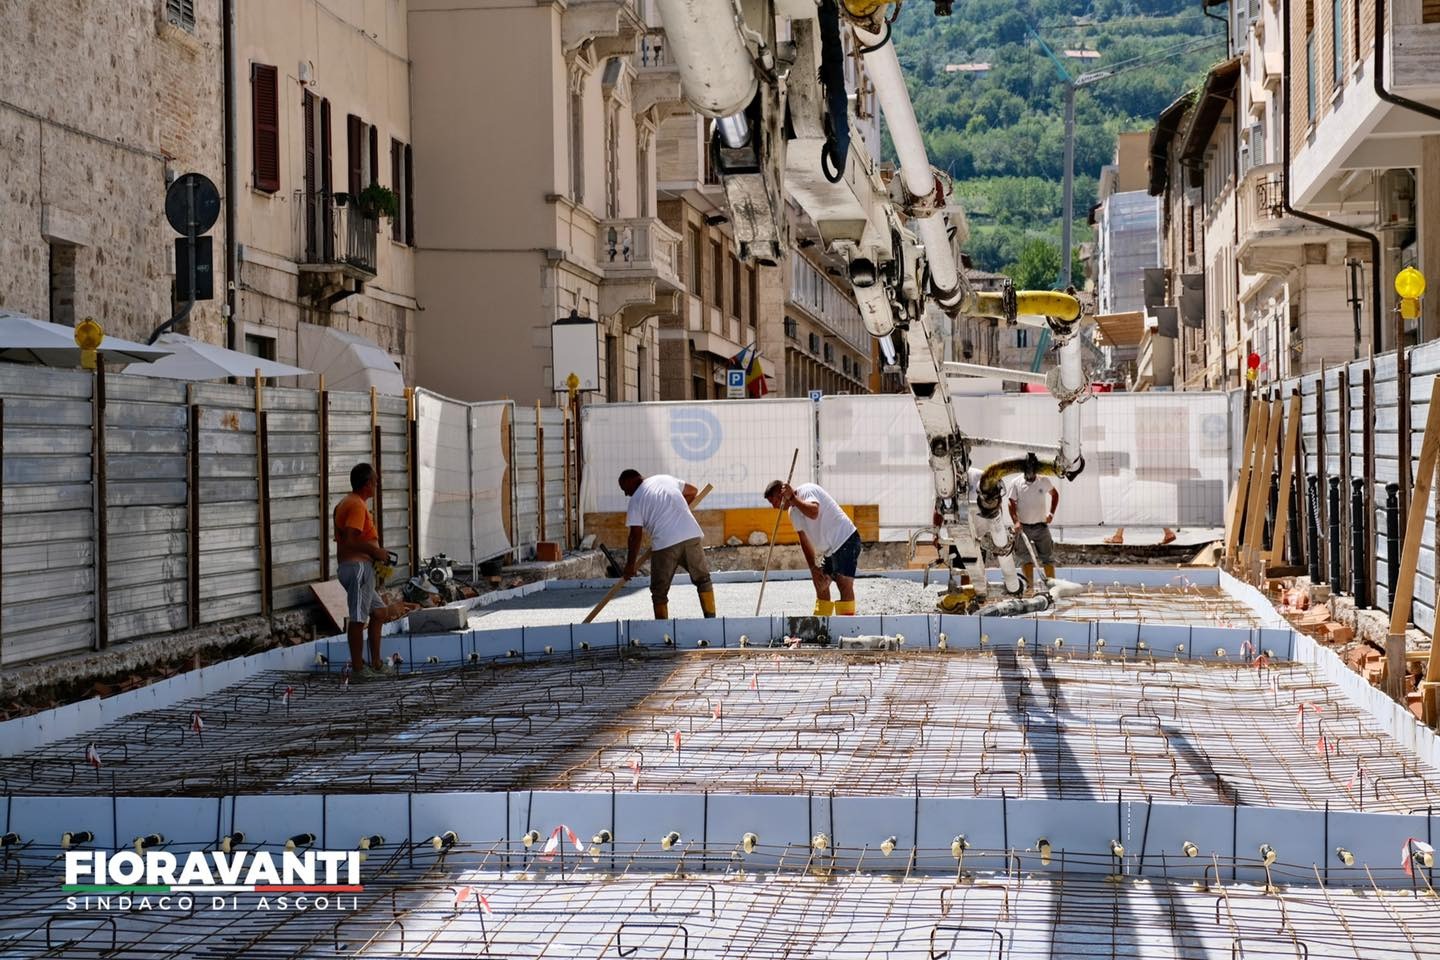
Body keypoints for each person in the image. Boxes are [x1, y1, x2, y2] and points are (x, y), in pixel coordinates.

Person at [619, 469, 716, 619]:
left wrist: (630, 565)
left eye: (624, 489)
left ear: (630, 481)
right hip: (691, 534)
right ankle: (711, 619)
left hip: (665, 544)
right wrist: (678, 511)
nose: (626, 494)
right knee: (703, 580)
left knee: (659, 591)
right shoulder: (663, 478)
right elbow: (692, 491)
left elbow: (635, 536)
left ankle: (662, 628)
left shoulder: (636, 500)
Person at [335, 463, 399, 678]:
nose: (377, 485)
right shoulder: (356, 506)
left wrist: (375, 554)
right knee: (358, 618)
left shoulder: (349, 502)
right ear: (367, 483)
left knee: (379, 612)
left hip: (358, 568)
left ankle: (376, 663)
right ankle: (359, 670)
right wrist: (376, 552)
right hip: (358, 568)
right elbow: (351, 539)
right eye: (375, 481)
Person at [765, 480, 862, 616]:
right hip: (830, 550)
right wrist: (813, 568)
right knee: (820, 584)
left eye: (773, 501)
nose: (774, 507)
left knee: (843, 583)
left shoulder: (806, 490)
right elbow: (804, 540)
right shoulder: (793, 513)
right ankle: (821, 626)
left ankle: (847, 627)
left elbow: (813, 512)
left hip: (845, 539)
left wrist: (792, 498)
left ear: (781, 494)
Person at [1008, 453, 1059, 593]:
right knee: (1025, 559)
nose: (1030, 475)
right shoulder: (1016, 483)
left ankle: (1052, 589)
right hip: (1023, 528)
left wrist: (1051, 514)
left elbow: (1055, 495)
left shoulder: (1044, 481)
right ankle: (1030, 588)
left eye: (1033, 472)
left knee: (1047, 557)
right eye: (1028, 472)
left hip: (1041, 526)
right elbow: (1011, 502)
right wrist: (1016, 521)